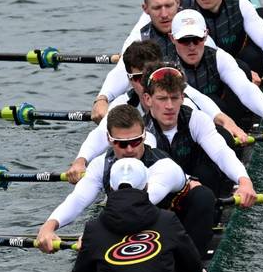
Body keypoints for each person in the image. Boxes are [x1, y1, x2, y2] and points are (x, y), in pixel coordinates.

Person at [37, 104, 225, 256]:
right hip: (135, 221)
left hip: (176, 220)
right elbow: (77, 200)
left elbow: (138, 206)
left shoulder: (163, 166)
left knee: (203, 196)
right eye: (121, 143)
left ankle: (195, 263)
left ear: (144, 135)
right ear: (109, 140)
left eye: (135, 141)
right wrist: (49, 226)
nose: (129, 149)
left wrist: (92, 235)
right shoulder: (101, 165)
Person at [71, 40, 248, 183]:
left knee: (222, 136)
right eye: (138, 78)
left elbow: (208, 109)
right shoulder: (123, 105)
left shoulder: (181, 98)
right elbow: (100, 135)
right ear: (129, 79)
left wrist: (227, 122)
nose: (144, 82)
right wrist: (81, 160)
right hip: (155, 172)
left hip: (190, 163)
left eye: (150, 75)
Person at [69, 158, 205, 272]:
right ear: (146, 186)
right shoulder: (167, 220)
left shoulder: (93, 228)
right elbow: (192, 266)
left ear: (110, 187)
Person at [167, 9, 263, 145]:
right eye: (184, 40)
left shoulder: (219, 57)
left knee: (244, 69)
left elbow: (245, 88)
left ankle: (240, 126)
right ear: (172, 39)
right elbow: (196, 98)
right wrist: (224, 121)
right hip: (181, 127)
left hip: (220, 119)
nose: (191, 46)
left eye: (197, 39)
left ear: (206, 35)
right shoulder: (164, 68)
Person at [142, 65, 255, 200]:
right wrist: (187, 181)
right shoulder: (143, 131)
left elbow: (220, 152)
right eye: (162, 99)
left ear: (182, 98)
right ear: (148, 99)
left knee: (207, 175)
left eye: (174, 98)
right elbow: (164, 169)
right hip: (161, 189)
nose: (169, 106)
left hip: (197, 186)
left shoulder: (196, 119)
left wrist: (244, 181)